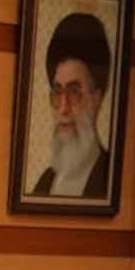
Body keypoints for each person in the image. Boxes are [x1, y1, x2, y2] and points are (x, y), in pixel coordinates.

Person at [32, 13, 111, 197]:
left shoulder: (109, 179)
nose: (63, 108)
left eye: (74, 92)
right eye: (58, 92)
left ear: (96, 99)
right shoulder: (45, 183)